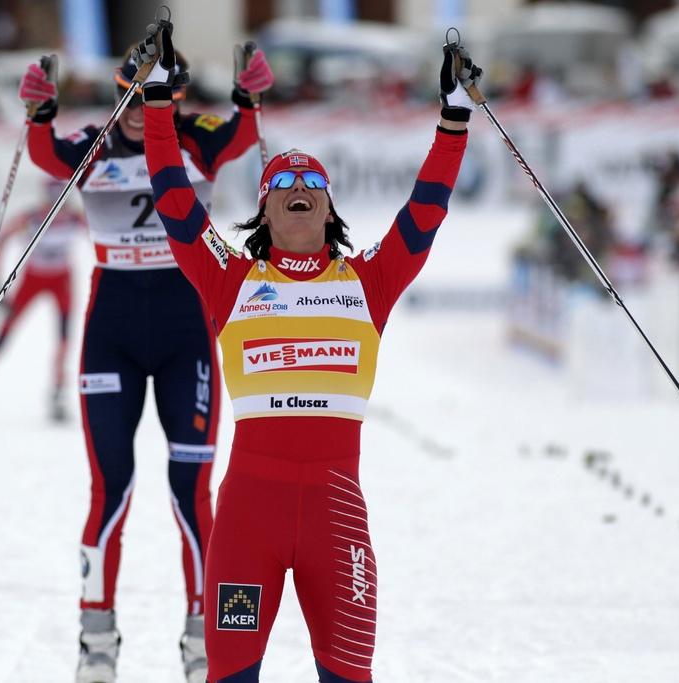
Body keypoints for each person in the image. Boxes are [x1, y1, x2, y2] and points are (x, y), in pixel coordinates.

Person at [139, 22, 473, 682]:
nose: (298, 186)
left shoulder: (367, 279)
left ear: (328, 209)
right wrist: (155, 106)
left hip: (336, 518)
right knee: (228, 672)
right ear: (264, 212)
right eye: (283, 182)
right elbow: (177, 205)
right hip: (245, 525)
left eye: (311, 184)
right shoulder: (231, 278)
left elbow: (425, 210)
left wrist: (454, 121)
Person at [18, 40, 272, 683]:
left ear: (177, 99)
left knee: (193, 496)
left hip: (187, 330)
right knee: (112, 490)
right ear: (118, 89)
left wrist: (248, 91)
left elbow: (245, 131)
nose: (140, 109)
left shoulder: (198, 139)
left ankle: (201, 642)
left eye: (156, 96)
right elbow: (44, 153)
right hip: (113, 331)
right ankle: (96, 642)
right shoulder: (93, 143)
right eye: (130, 94)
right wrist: (39, 110)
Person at [0, 178, 83, 421]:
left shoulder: (74, 218)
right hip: (32, 279)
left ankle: (58, 396)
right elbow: (1, 239)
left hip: (62, 280)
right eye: (52, 197)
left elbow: (100, 237)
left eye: (61, 197)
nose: (56, 204)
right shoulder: (33, 216)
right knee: (2, 335)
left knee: (64, 338)